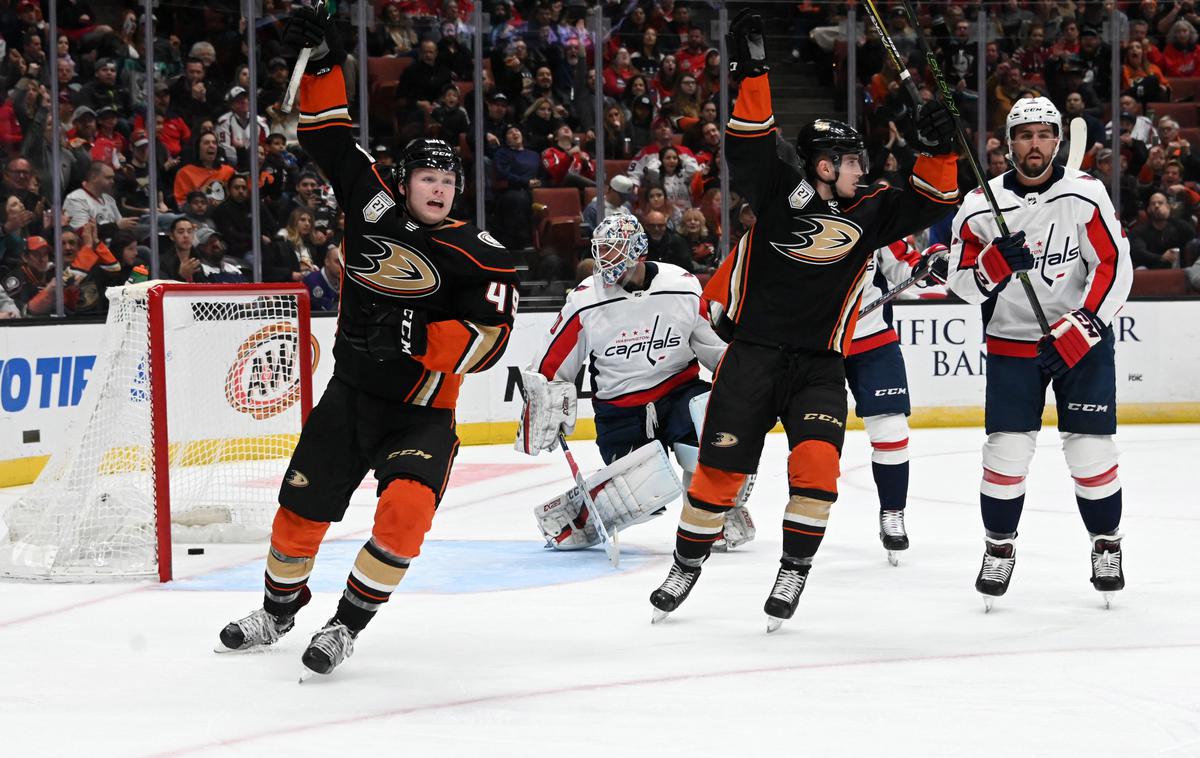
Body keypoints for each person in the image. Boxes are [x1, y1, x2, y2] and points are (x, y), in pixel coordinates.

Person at [217, 7, 519, 680]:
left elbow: (492, 341)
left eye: (448, 182)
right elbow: (329, 134)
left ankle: (347, 625)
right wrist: (324, 64)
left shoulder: (478, 253)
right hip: (349, 397)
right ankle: (278, 609)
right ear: (404, 181)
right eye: (427, 179)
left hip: (420, 414)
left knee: (406, 512)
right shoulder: (370, 201)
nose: (438, 190)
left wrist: (422, 338)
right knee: (296, 518)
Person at [647, 11, 959, 630]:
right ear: (821, 164)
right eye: (848, 160)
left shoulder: (869, 209)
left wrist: (941, 147)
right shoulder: (778, 192)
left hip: (820, 363)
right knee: (718, 475)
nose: (859, 169)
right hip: (753, 357)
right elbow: (750, 141)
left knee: (816, 470)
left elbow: (932, 199)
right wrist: (753, 70)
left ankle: (795, 567)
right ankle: (687, 563)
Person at [945, 97, 1132, 610]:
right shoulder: (980, 206)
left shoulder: (1085, 195)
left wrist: (1086, 323)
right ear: (1009, 144)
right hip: (1012, 342)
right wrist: (990, 267)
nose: (1036, 143)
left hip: (1080, 342)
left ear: (1057, 141)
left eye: (1045, 134)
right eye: (1025, 134)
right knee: (1005, 454)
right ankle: (999, 548)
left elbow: (1114, 265)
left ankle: (1106, 544)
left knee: (1091, 454)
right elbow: (961, 287)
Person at [518, 212, 751, 549]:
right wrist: (545, 405)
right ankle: (575, 516)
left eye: (615, 250)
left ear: (639, 251)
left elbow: (712, 347)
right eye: (602, 250)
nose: (606, 259)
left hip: (679, 391)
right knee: (642, 493)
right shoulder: (586, 300)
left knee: (711, 443)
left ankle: (714, 515)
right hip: (621, 410)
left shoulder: (681, 286)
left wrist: (744, 380)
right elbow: (551, 366)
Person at [845, 239, 946, 565]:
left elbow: (911, 267)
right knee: (815, 443)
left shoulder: (877, 216)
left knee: (891, 429)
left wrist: (931, 265)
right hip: (816, 347)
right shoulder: (799, 217)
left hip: (872, 340)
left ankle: (892, 512)